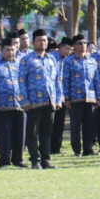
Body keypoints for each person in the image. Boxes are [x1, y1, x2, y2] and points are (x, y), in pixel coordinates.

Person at [17, 29, 62, 169]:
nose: (42, 43)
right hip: (33, 103)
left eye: (44, 40)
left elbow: (57, 81)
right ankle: (35, 160)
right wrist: (24, 101)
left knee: (47, 133)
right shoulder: (27, 59)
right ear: (33, 42)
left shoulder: (52, 59)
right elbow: (20, 81)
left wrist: (58, 99)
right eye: (39, 40)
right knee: (32, 133)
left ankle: (46, 159)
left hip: (50, 101)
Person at [0, 37, 27, 168]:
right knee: (4, 135)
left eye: (13, 50)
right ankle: (4, 160)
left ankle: (18, 159)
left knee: (20, 135)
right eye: (8, 50)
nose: (11, 52)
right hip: (1, 106)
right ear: (1, 50)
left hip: (20, 105)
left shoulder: (20, 64)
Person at [62, 35, 98, 157]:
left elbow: (96, 80)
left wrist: (98, 97)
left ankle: (88, 148)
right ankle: (77, 149)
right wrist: (66, 97)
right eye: (80, 43)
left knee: (90, 125)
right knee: (75, 126)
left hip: (90, 97)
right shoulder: (68, 61)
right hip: (75, 98)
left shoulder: (92, 61)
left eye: (85, 42)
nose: (83, 45)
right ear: (74, 46)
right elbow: (65, 80)